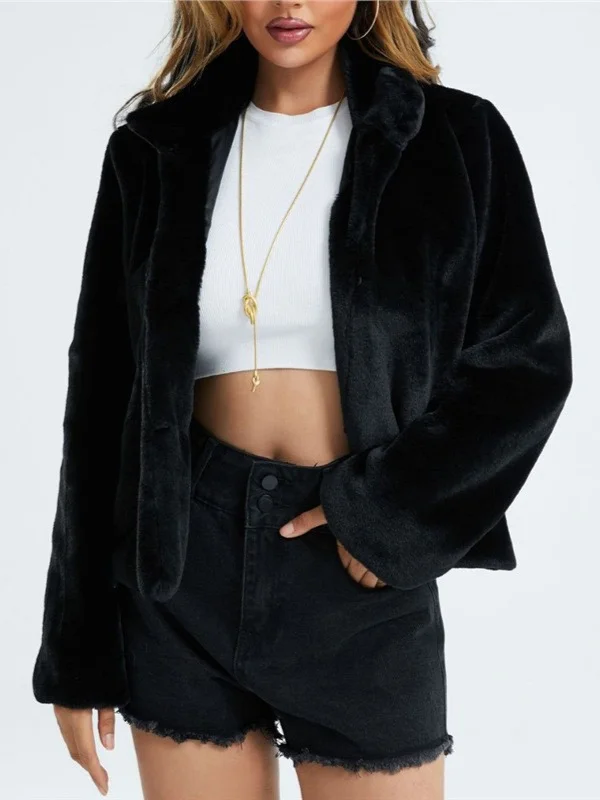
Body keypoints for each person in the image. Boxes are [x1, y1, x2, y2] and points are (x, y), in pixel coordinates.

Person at [31, 1, 573, 798]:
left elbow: (526, 361)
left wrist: (391, 514)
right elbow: (100, 396)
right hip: (180, 574)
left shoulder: (455, 140)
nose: (288, 3)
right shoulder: (154, 148)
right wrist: (76, 648)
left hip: (354, 567)